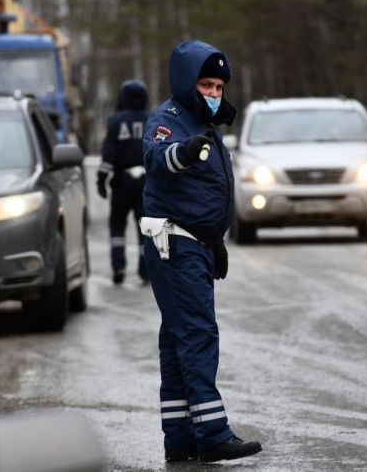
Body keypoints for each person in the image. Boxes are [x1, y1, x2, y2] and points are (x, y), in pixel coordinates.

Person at [140, 40, 263, 463]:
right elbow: (159, 158)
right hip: (174, 243)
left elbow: (202, 193)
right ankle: (212, 434)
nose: (213, 93)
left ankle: (180, 438)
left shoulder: (202, 124)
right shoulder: (169, 120)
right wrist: (185, 153)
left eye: (218, 87)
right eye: (205, 84)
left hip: (193, 244)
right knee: (197, 335)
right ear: (186, 83)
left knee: (177, 342)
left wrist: (216, 240)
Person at [97, 80, 149, 284]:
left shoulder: (115, 121)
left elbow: (108, 154)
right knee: (146, 227)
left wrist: (101, 180)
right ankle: (146, 270)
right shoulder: (152, 120)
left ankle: (118, 267)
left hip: (122, 180)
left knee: (117, 226)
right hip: (146, 181)